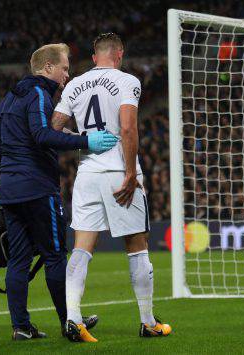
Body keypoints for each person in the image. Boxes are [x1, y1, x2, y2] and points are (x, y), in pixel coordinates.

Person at [0, 43, 118, 341]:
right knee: (55, 256)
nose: (67, 74)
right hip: (36, 187)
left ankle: (21, 327)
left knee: (19, 260)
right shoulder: (37, 94)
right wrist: (85, 141)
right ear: (47, 68)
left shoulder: (10, 97)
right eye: (64, 67)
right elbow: (41, 136)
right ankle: (70, 321)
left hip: (10, 190)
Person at [51, 33, 172, 342]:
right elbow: (128, 127)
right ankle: (147, 321)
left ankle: (74, 320)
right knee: (136, 244)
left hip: (87, 173)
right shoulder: (127, 81)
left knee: (81, 246)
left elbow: (54, 127)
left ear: (94, 58)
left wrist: (82, 140)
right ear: (119, 55)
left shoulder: (75, 84)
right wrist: (131, 172)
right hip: (118, 172)